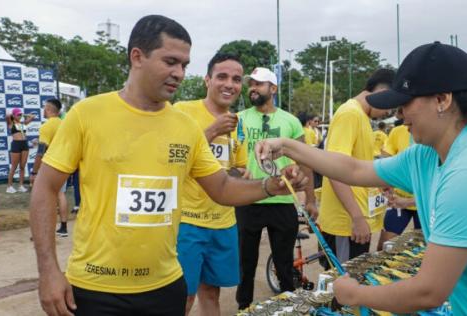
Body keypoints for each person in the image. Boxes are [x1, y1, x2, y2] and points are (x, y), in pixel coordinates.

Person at [29, 15, 306, 316]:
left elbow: (222, 187)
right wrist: (49, 271)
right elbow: (45, 187)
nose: (179, 73)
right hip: (97, 287)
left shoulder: (184, 126)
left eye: (184, 65)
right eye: (170, 61)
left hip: (166, 286)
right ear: (137, 56)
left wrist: (270, 185)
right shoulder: (87, 114)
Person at [255, 42, 467, 315]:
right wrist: (288, 146)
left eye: (407, 101)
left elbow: (429, 292)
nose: (399, 113)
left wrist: (357, 294)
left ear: (442, 100)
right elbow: (356, 170)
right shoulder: (426, 155)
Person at [235, 67, 317, 310]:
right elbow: (230, 158)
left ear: (273, 88)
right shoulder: (239, 118)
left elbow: (305, 161)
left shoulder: (290, 121)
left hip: (282, 200)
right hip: (248, 200)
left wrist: (310, 199)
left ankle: (288, 307)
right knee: (246, 264)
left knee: (284, 264)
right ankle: (244, 307)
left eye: (259, 84)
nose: (253, 88)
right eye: (251, 84)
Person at [173, 53, 247, 315]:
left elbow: (240, 167)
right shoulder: (182, 111)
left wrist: (242, 176)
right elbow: (172, 158)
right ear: (207, 80)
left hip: (224, 221)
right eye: (222, 77)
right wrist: (212, 130)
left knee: (211, 293)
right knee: (183, 297)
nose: (230, 84)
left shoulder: (239, 124)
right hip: (188, 222)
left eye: (236, 79)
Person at [317, 69, 395, 269]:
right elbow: (335, 169)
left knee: (353, 281)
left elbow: (357, 166)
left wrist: (378, 183)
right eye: (390, 106)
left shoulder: (361, 116)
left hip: (355, 220)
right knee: (342, 285)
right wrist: (357, 217)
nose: (388, 113)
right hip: (346, 224)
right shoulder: (350, 113)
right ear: (381, 92)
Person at [377, 109, 420, 249]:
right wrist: (385, 185)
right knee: (385, 246)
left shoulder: (437, 134)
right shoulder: (398, 131)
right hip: (399, 199)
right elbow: (385, 159)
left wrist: (409, 202)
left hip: (425, 203)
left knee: (424, 248)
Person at [30, 98, 69, 237]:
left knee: (44, 196)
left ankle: (43, 230)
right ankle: (63, 227)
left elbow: (40, 151)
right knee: (60, 194)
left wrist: (34, 171)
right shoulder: (65, 123)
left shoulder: (46, 126)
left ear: (47, 109)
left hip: (50, 164)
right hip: (65, 163)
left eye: (44, 108)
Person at [6, 107, 35, 193]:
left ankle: (21, 186)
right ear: (14, 115)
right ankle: (9, 186)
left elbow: (33, 117)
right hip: (16, 144)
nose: (19, 116)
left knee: (22, 166)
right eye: (18, 115)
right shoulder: (11, 123)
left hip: (24, 145)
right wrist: (14, 115)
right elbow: (8, 116)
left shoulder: (23, 123)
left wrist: (23, 114)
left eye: (20, 114)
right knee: (14, 167)